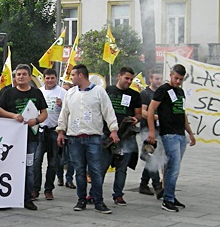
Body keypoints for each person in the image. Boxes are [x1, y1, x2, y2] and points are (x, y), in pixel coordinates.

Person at [56, 64, 119, 215]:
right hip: (75, 138)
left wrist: (113, 130)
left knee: (96, 171)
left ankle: (98, 201)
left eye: (73, 75)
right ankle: (81, 199)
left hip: (94, 138)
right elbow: (64, 114)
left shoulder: (99, 92)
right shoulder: (70, 93)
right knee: (79, 170)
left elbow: (108, 111)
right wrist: (60, 131)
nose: (71, 78)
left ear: (81, 75)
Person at [0, 64, 48, 211]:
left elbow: (44, 113)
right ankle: (7, 198)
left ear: (30, 77)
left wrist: (36, 120)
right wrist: (13, 116)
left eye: (24, 74)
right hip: (12, 139)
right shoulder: (8, 92)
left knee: (29, 169)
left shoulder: (37, 93)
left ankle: (27, 198)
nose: (21, 77)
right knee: (9, 166)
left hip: (31, 138)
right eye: (18, 75)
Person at [147, 63, 196, 212]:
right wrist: (151, 131)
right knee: (173, 168)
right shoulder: (163, 90)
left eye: (181, 79)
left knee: (172, 168)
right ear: (171, 75)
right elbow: (150, 110)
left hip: (180, 134)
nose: (178, 82)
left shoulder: (180, 92)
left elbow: (182, 113)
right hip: (169, 134)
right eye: (176, 78)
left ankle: (170, 194)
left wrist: (190, 132)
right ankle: (167, 200)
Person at [104, 66, 142, 206]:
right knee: (102, 166)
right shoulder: (108, 90)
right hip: (107, 134)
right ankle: (94, 194)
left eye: (131, 79)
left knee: (122, 168)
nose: (129, 81)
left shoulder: (134, 95)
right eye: (126, 78)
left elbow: (139, 113)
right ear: (118, 76)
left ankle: (118, 195)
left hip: (126, 136)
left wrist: (136, 119)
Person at [33, 68, 65, 200]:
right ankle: (35, 189)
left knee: (53, 163)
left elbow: (67, 111)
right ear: (43, 79)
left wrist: (61, 104)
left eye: (52, 78)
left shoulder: (63, 92)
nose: (50, 80)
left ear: (56, 78)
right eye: (47, 78)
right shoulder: (38, 92)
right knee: (36, 162)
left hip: (54, 131)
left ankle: (48, 189)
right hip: (40, 131)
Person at [139, 68, 164, 197]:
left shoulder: (162, 93)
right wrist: (156, 117)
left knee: (152, 157)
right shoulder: (145, 93)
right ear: (150, 79)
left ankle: (143, 184)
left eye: (160, 79)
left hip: (159, 130)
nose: (159, 81)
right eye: (156, 79)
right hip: (147, 130)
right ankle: (157, 186)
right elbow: (143, 112)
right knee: (149, 156)